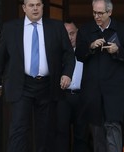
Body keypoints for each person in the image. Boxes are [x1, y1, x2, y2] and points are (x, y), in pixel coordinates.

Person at [0, 0, 76, 152]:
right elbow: (0, 56)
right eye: (31, 5)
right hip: (21, 84)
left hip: (47, 85)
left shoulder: (56, 27)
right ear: (24, 8)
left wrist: (67, 73)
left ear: (43, 7)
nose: (35, 8)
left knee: (45, 132)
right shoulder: (11, 28)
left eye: (38, 5)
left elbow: (69, 54)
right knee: (19, 128)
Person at [75, 0, 124, 152]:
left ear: (110, 12)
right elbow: (78, 54)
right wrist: (90, 46)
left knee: (113, 125)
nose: (97, 16)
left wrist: (118, 50)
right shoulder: (86, 29)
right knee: (96, 129)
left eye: (100, 13)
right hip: (92, 89)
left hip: (114, 89)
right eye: (94, 12)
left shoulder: (122, 29)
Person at [55, 20, 89, 152]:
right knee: (61, 133)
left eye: (72, 33)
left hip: (82, 97)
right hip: (63, 97)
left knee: (82, 135)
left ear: (77, 33)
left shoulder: (85, 52)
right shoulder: (56, 54)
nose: (69, 37)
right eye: (66, 34)